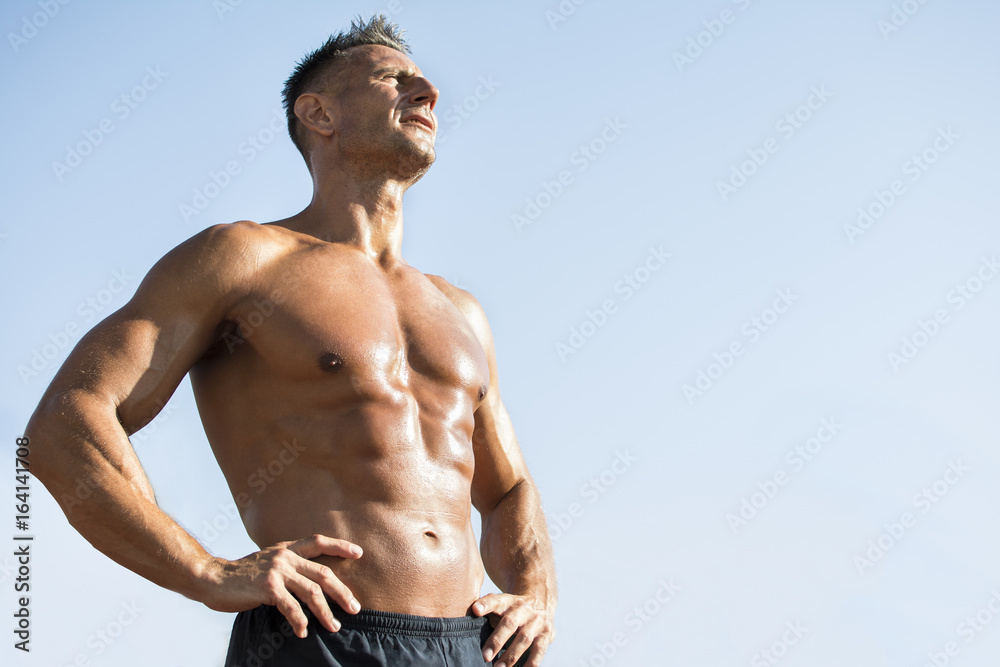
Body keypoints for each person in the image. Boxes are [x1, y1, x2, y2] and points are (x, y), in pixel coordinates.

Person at [24, 14, 556, 667]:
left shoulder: (459, 309)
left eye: (428, 86)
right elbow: (65, 423)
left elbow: (507, 490)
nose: (428, 93)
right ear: (319, 113)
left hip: (468, 646)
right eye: (397, 79)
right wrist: (205, 569)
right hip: (319, 639)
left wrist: (535, 595)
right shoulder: (243, 259)